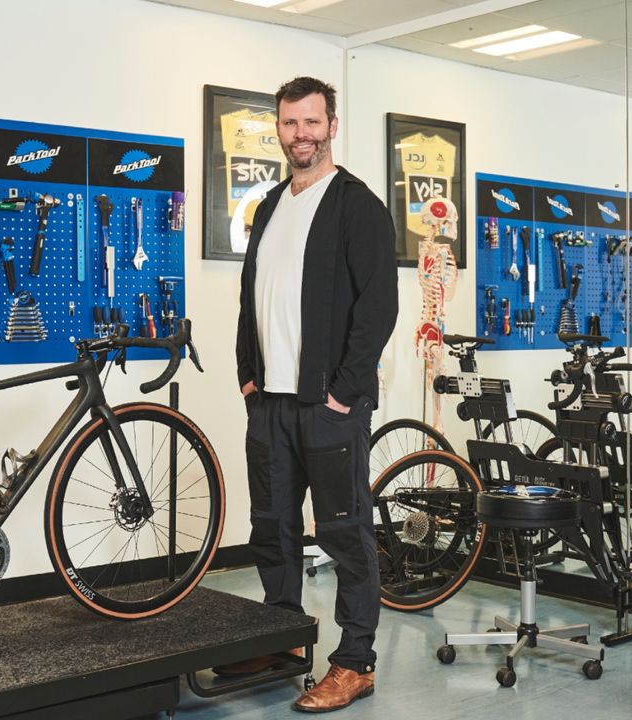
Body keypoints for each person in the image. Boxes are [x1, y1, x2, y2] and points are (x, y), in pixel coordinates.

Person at [227, 76, 397, 713]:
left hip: (326, 406)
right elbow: (252, 297)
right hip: (269, 402)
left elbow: (378, 307)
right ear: (278, 127)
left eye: (312, 122)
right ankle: (281, 638)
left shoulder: (357, 204)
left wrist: (344, 392)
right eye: (290, 123)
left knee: (344, 531)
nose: (301, 134)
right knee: (271, 527)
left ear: (332, 125)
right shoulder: (270, 205)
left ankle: (355, 661)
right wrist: (248, 372)